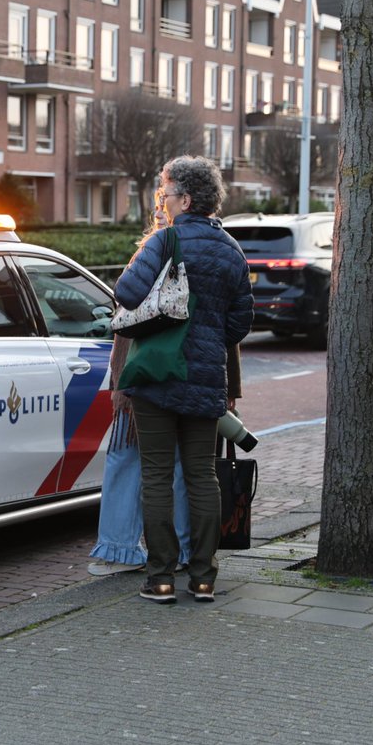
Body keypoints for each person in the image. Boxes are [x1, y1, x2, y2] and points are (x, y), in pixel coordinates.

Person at [113, 155, 253, 604]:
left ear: (186, 199)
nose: (163, 201)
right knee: (202, 475)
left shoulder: (164, 240)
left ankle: (160, 578)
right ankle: (204, 577)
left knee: (156, 475)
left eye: (165, 193)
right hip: (206, 378)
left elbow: (126, 293)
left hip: (157, 374)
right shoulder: (231, 249)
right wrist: (205, 338)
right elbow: (240, 324)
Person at [89, 200, 192, 576]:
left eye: (165, 206)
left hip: (144, 374)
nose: (161, 214)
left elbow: (124, 324)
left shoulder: (148, 256)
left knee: (127, 457)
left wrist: (120, 382)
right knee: (177, 464)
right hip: (184, 374)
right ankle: (180, 550)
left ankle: (120, 549)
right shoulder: (204, 250)